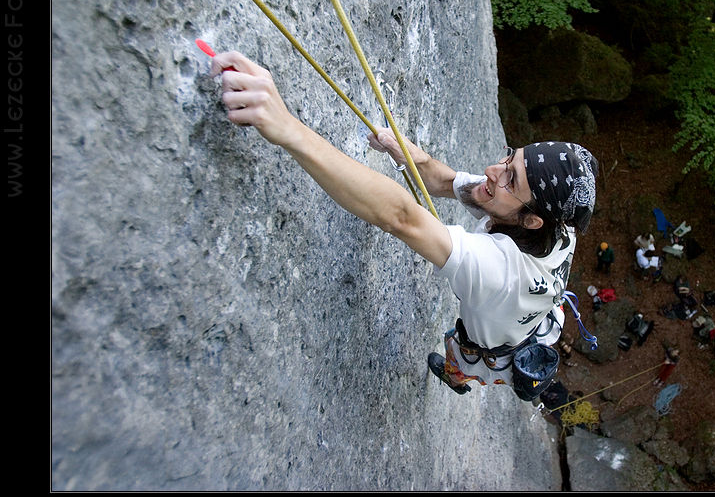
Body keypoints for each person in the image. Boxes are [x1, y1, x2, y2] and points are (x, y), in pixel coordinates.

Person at [209, 51, 598, 398]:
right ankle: (461, 374)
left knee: (463, 355)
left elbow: (402, 217)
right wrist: (414, 158)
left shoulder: (500, 272)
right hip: (533, 316)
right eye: (508, 157)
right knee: (471, 346)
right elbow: (450, 184)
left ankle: (457, 376)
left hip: (500, 341)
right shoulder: (559, 224)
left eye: (510, 178)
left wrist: (287, 127)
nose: (492, 170)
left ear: (532, 220)